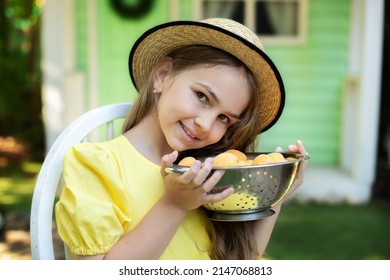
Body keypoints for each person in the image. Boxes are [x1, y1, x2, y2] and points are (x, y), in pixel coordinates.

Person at [55, 18, 308, 260]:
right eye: (201, 96)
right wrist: (174, 204)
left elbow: (243, 259)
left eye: (224, 119)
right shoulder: (98, 166)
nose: (205, 125)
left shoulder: (210, 171)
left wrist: (276, 193)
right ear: (163, 75)